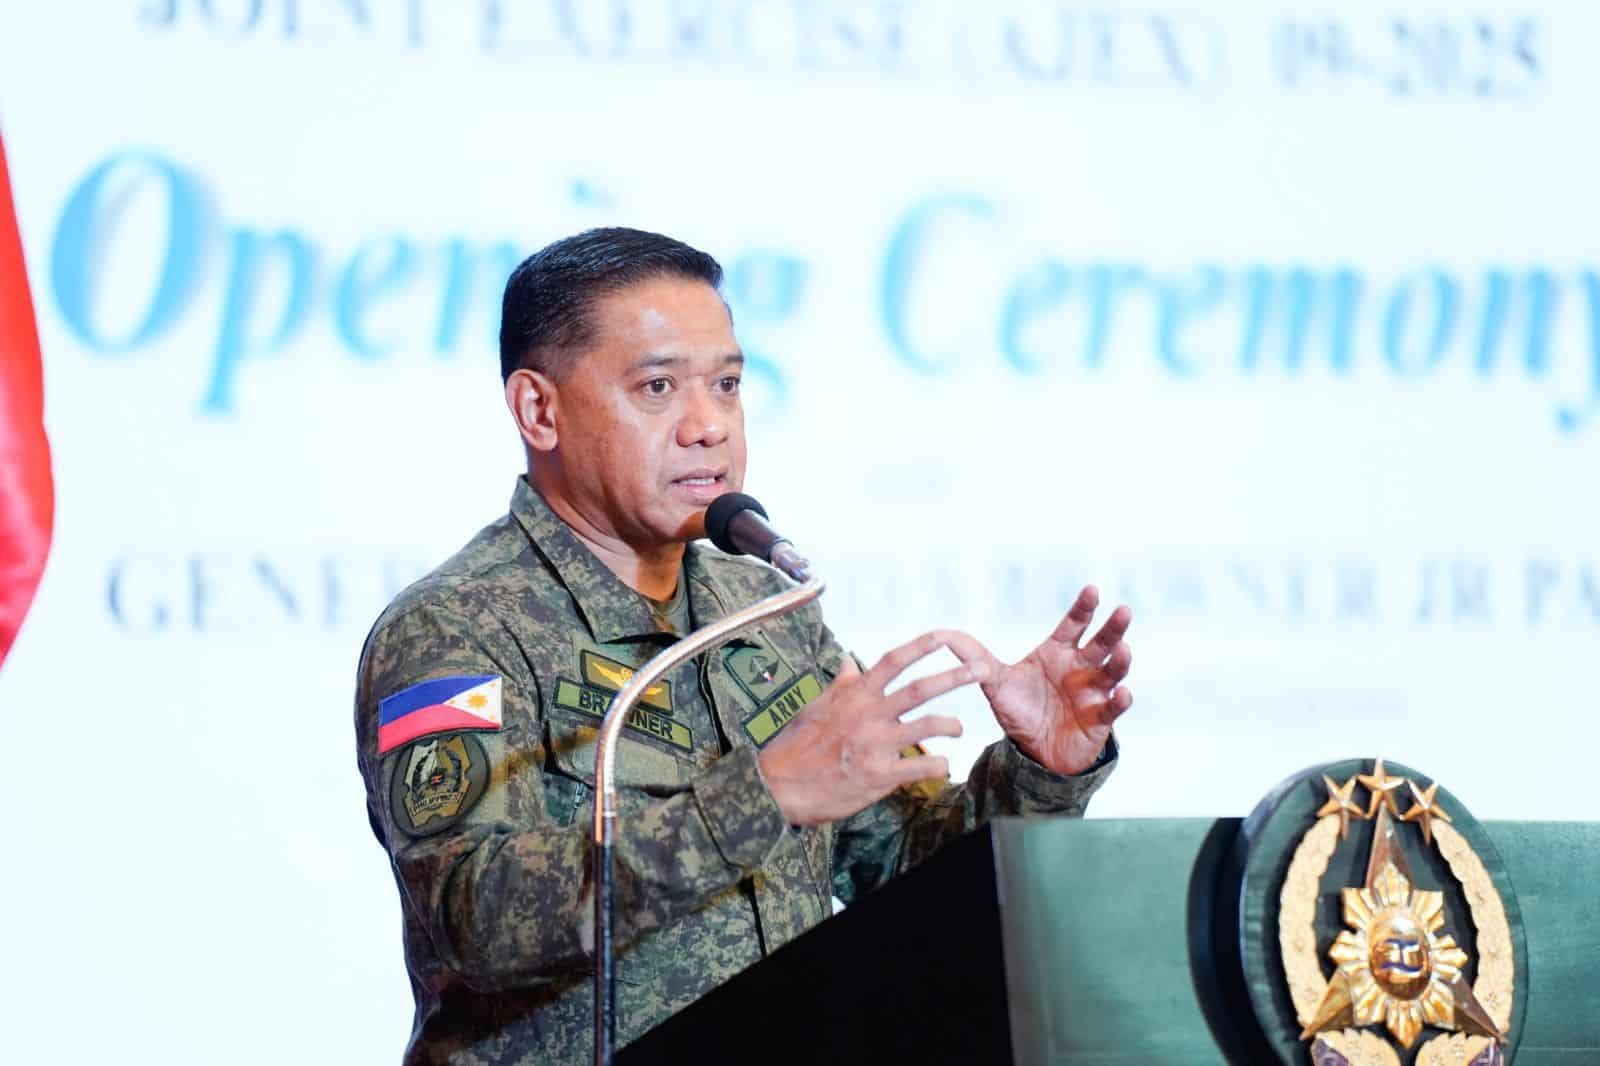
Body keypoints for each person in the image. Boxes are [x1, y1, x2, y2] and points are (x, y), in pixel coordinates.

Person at [354, 228, 1135, 1065]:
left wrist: (1041, 773)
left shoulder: (764, 606)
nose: (708, 426)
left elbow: (902, 869)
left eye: (726, 385)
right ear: (538, 409)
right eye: (657, 387)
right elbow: (477, 917)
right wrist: (759, 796)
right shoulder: (456, 626)